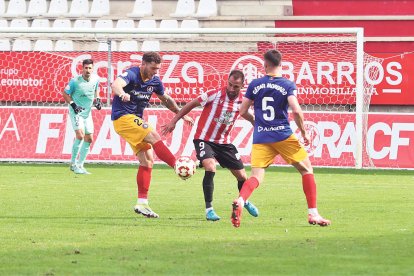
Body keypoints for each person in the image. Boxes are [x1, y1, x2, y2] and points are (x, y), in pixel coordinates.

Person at [231, 50, 331, 228]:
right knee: (307, 169)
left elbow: (242, 111)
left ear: (265, 64)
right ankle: (313, 213)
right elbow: (296, 110)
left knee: (256, 176)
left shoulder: (255, 84)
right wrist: (304, 132)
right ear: (281, 64)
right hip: (282, 135)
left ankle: (240, 199)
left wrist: (257, 122)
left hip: (261, 136)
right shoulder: (287, 84)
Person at [162, 70, 259, 221]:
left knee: (242, 176)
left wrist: (256, 123)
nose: (232, 89)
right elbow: (191, 104)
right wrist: (174, 121)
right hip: (204, 139)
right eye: (230, 85)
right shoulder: (214, 94)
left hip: (224, 143)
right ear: (227, 81)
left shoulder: (243, 101)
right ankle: (209, 210)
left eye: (236, 87)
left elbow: (246, 114)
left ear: (242, 86)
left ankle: (244, 201)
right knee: (210, 166)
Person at [111, 51, 193, 219]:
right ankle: (177, 165)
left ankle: (142, 203)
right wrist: (122, 93)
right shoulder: (132, 74)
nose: (156, 72)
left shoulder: (155, 81)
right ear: (143, 64)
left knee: (148, 161)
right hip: (123, 118)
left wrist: (181, 114)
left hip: (135, 121)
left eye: (158, 69)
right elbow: (115, 85)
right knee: (154, 135)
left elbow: (166, 99)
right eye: (153, 68)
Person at [62, 59, 102, 175]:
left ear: (93, 68)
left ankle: (80, 165)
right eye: (86, 68)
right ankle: (73, 164)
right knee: (80, 135)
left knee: (89, 139)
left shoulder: (96, 79)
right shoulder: (75, 81)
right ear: (82, 68)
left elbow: (96, 89)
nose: (88, 70)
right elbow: (65, 93)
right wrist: (73, 105)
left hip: (87, 113)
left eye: (90, 68)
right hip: (76, 111)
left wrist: (98, 100)